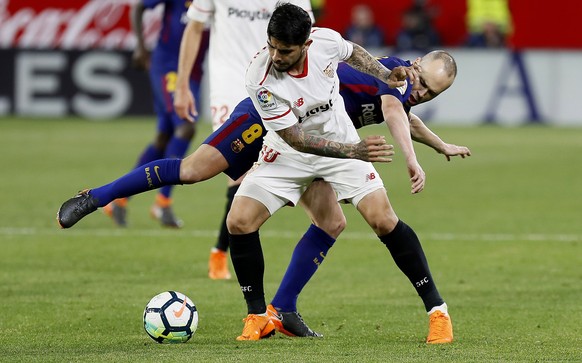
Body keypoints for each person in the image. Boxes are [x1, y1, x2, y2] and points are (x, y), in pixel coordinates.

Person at [56, 48, 467, 342]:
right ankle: (99, 196)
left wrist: (440, 144)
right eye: (423, 84)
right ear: (413, 66)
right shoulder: (392, 74)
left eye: (433, 94)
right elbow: (396, 112)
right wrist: (413, 160)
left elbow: (405, 114)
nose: (422, 94)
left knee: (332, 221)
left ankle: (282, 310)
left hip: (320, 140)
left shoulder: (395, 85)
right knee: (193, 170)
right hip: (269, 121)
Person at [225, 3, 457, 343]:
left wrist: (382, 73)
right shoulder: (258, 76)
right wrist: (356, 151)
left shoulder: (326, 42)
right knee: (239, 221)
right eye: (272, 46)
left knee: (382, 219)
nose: (275, 55)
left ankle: (438, 312)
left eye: (284, 50)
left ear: (306, 44)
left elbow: (355, 53)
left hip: (339, 137)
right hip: (292, 147)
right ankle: (258, 316)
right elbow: (296, 139)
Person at [173, 0, 314, 280]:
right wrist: (182, 84)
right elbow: (195, 27)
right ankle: (220, 254)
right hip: (228, 83)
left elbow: (311, 36)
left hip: (274, 82)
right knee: (236, 171)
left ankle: (227, 251)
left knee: (268, 168)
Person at [102, 0, 209, 228]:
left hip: (193, 72)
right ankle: (163, 201)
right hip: (168, 66)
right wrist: (140, 46)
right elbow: (139, 6)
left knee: (163, 139)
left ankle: (119, 200)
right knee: (186, 126)